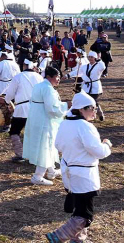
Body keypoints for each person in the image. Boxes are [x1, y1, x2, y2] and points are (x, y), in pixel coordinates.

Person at [46, 92, 112, 243]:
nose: (95, 110)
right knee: (85, 215)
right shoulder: (85, 126)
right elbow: (98, 151)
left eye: (95, 107)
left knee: (78, 210)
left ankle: (78, 240)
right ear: (81, 109)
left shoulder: (65, 123)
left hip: (69, 172)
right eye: (92, 108)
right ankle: (58, 236)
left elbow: (58, 145)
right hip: (83, 175)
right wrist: (106, 145)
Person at [22, 66, 67, 186]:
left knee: (48, 145)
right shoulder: (48, 89)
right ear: (49, 77)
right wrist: (66, 105)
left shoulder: (39, 85)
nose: (59, 79)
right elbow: (52, 109)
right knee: (45, 147)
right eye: (57, 77)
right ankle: (37, 176)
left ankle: (51, 171)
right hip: (44, 122)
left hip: (36, 119)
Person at [4, 59, 44, 162]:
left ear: (24, 66)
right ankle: (36, 155)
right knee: (35, 133)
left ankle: (20, 154)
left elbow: (10, 93)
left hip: (22, 110)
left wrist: (7, 101)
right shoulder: (39, 77)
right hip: (37, 109)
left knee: (14, 131)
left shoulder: (18, 77)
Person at [72, 51, 106, 121]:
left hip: (95, 87)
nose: (90, 58)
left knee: (93, 101)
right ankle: (87, 114)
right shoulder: (85, 66)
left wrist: (99, 59)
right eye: (89, 57)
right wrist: (68, 75)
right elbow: (78, 72)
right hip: (86, 87)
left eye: (92, 57)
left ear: (95, 58)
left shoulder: (99, 66)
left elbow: (103, 67)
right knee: (87, 101)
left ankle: (99, 113)